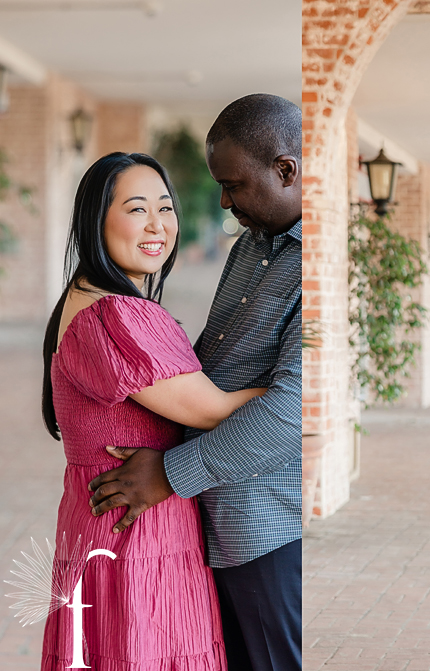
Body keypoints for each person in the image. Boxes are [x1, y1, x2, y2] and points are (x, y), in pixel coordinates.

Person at [87, 94, 303, 670]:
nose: (226, 201)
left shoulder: (317, 265)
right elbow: (215, 362)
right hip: (207, 522)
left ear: (286, 170)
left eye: (233, 185)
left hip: (265, 529)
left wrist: (170, 472)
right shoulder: (253, 245)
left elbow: (292, 414)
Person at [41, 152, 267, 669]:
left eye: (165, 209)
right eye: (136, 209)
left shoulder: (87, 299)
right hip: (134, 537)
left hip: (110, 525)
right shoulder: (111, 313)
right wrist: (292, 391)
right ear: (95, 220)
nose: (157, 225)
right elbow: (213, 411)